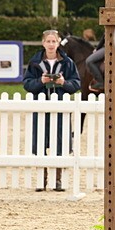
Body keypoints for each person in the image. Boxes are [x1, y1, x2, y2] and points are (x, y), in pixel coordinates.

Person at [23, 29, 82, 191]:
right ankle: (41, 180)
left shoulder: (68, 62)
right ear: (43, 43)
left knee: (60, 144)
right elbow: (27, 84)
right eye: (48, 41)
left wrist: (64, 83)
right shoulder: (35, 62)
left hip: (61, 109)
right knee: (40, 143)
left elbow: (76, 84)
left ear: (58, 43)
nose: (50, 44)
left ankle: (58, 180)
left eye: (53, 41)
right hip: (41, 109)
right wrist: (40, 81)